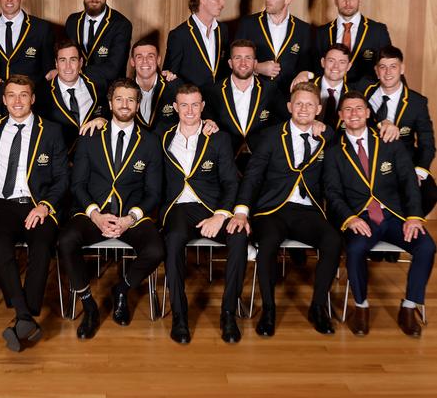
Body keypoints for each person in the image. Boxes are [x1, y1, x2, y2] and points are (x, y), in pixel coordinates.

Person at [228, 83, 341, 336]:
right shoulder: (270, 136)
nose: (303, 109)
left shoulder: (328, 137)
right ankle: (269, 309)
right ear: (289, 107)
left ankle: (318, 306)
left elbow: (334, 181)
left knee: (333, 240)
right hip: (272, 210)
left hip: (307, 210)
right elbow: (252, 177)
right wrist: (242, 211)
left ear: (318, 109)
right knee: (267, 245)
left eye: (309, 105)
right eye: (298, 104)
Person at [59, 78, 164, 340]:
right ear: (109, 103)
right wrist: (95, 215)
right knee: (65, 241)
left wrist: (130, 218)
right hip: (94, 213)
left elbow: (154, 192)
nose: (124, 104)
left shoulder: (150, 142)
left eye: (130, 99)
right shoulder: (90, 136)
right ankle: (88, 304)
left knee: (157, 249)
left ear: (138, 104)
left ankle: (122, 289)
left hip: (131, 216)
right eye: (119, 99)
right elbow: (78, 184)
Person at [324, 91, 435, 337]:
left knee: (426, 246)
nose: (353, 113)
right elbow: (332, 192)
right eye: (348, 110)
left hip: (394, 215)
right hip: (361, 218)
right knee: (354, 249)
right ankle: (361, 306)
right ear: (340, 116)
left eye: (358, 108)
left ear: (368, 113)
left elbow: (408, 181)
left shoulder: (389, 142)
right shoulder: (333, 151)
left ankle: (408, 307)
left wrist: (414, 216)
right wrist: (350, 218)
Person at [0, 75, 68, 352]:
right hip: (2, 203)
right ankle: (26, 317)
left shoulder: (51, 130)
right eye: (11, 95)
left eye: (23, 95)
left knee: (41, 246)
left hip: (37, 203)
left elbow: (62, 177)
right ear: (3, 100)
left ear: (33, 98)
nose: (17, 101)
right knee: (2, 245)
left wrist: (45, 206)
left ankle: (22, 317)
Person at [159, 84, 248, 345]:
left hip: (212, 208)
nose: (189, 110)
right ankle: (180, 316)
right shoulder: (162, 137)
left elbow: (232, 183)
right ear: (175, 107)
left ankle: (229, 313)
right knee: (173, 239)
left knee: (239, 237)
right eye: (184, 105)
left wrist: (220, 216)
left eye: (195, 104)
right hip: (177, 208)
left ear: (203, 106)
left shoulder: (218, 138)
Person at [362, 46, 437, 216]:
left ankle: (409, 223)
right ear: (376, 70)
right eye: (383, 67)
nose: (388, 72)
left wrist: (419, 172)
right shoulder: (364, 94)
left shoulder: (417, 102)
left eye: (393, 66)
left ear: (402, 68)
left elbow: (427, 143)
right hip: (370, 161)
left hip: (405, 162)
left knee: (430, 193)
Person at [203, 39, 285, 173]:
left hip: (262, 163)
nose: (243, 63)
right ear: (230, 63)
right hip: (225, 164)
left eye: (248, 58)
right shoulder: (212, 92)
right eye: (237, 58)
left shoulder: (270, 90)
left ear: (255, 63)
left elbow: (287, 121)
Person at [234, 0, 313, 94]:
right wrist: (257, 67)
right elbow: (234, 59)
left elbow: (308, 65)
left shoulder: (303, 29)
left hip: (287, 97)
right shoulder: (248, 24)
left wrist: (304, 73)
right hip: (254, 96)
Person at [315, 0, 391, 86]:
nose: (348, 3)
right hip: (330, 95)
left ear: (359, 0)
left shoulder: (377, 31)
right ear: (336, 1)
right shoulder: (321, 32)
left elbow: (390, 64)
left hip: (366, 96)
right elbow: (315, 67)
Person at [37, 39, 108, 153]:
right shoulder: (42, 93)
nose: (68, 66)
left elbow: (109, 115)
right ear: (56, 63)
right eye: (62, 60)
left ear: (81, 62)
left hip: (93, 157)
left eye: (73, 60)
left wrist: (104, 120)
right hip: (59, 160)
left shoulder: (99, 85)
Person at [63, 0, 132, 85]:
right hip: (76, 90)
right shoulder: (72, 21)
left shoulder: (121, 24)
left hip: (108, 93)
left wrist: (74, 71)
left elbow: (113, 69)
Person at [163, 0, 230, 87]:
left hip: (218, 100)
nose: (223, 4)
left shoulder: (223, 30)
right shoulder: (179, 35)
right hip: (192, 101)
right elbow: (170, 76)